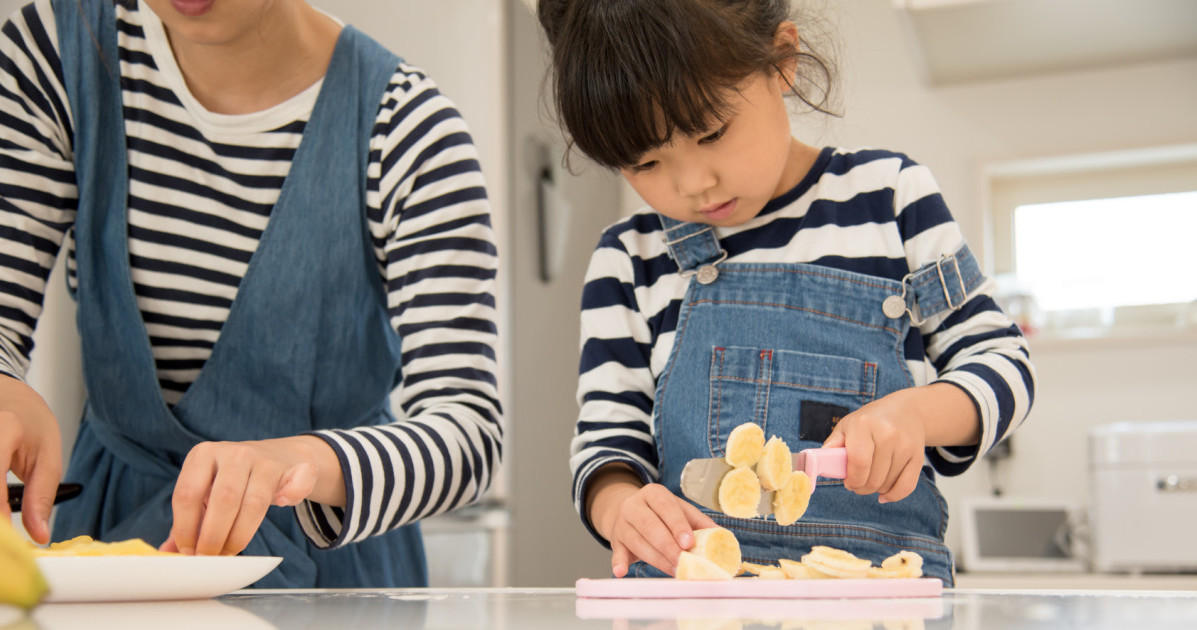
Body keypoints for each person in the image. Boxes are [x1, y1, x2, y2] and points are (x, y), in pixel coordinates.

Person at [0, 0, 502, 588]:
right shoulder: (58, 51)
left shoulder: (407, 128)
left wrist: (308, 463)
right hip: (112, 548)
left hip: (329, 573)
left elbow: (469, 435)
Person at [537, 0, 1035, 586]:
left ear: (781, 60)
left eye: (712, 131)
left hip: (879, 595)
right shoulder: (629, 258)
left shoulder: (891, 199)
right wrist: (619, 505)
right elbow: (606, 439)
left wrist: (915, 414)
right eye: (646, 162)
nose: (694, 183)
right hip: (693, 601)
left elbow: (1004, 364)